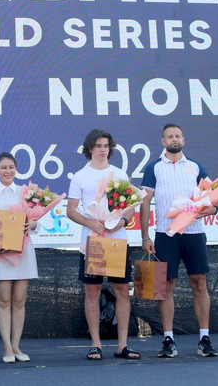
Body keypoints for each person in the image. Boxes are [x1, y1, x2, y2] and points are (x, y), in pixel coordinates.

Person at [140, 124, 218, 358]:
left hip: (194, 233)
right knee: (165, 286)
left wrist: (213, 209)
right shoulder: (153, 167)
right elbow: (145, 202)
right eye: (170, 136)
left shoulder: (195, 166)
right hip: (165, 235)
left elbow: (215, 196)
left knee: (199, 283)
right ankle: (168, 339)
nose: (174, 139)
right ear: (163, 141)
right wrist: (145, 236)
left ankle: (204, 339)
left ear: (183, 140)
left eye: (177, 136)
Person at [66, 129, 140, 361]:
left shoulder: (119, 173)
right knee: (92, 291)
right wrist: (91, 223)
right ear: (90, 148)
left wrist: (120, 222)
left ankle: (123, 345)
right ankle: (96, 344)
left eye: (106, 145)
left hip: (117, 240)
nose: (103, 149)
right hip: (93, 240)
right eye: (98, 145)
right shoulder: (80, 176)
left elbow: (130, 206)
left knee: (122, 291)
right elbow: (71, 210)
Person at [0, 152, 38, 363]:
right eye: (3, 167)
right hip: (0, 254)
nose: (8, 171)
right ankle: (7, 348)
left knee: (20, 300)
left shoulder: (25, 193)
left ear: (16, 169)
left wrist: (33, 223)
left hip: (23, 252)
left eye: (11, 167)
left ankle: (17, 346)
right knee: (3, 300)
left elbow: (35, 222)